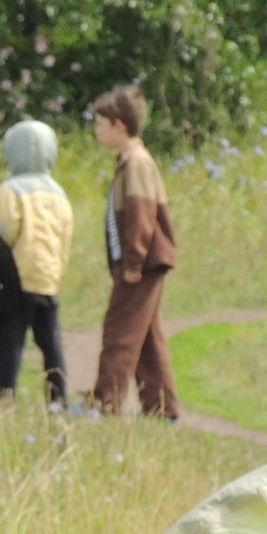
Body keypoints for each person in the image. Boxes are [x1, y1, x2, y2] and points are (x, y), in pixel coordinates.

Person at [84, 84, 179, 418]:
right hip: (143, 264)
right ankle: (162, 408)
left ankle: (105, 401)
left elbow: (141, 217)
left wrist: (132, 263)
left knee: (120, 333)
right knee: (148, 338)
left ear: (120, 125)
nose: (97, 131)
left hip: (141, 265)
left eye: (101, 124)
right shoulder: (129, 161)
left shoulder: (137, 163)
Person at [0, 118, 74, 407]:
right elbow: (65, 238)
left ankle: (5, 398)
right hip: (48, 280)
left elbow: (1, 237)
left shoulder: (10, 190)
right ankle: (58, 401)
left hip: (18, 282)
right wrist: (57, 273)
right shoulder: (59, 193)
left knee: (11, 341)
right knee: (51, 343)